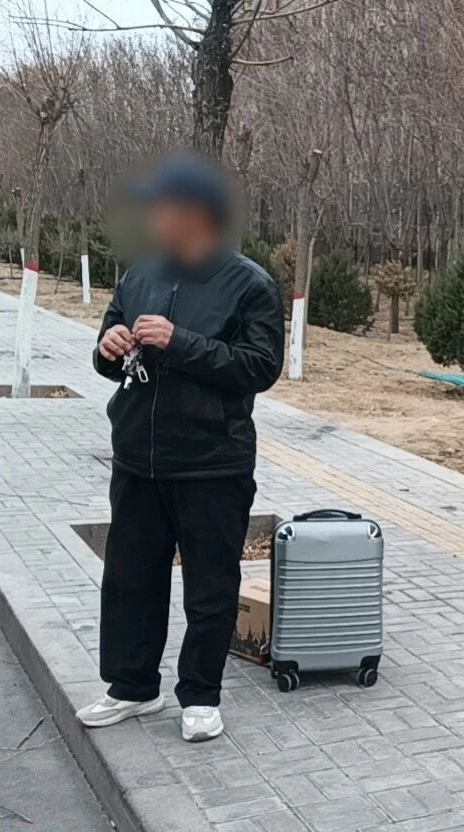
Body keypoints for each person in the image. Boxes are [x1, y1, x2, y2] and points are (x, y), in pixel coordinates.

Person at [76, 154, 284, 742]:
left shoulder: (250, 284)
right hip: (137, 458)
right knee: (130, 579)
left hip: (211, 462)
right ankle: (132, 686)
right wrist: (108, 346)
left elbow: (260, 367)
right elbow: (107, 354)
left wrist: (181, 342)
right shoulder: (140, 274)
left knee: (209, 586)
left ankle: (200, 695)